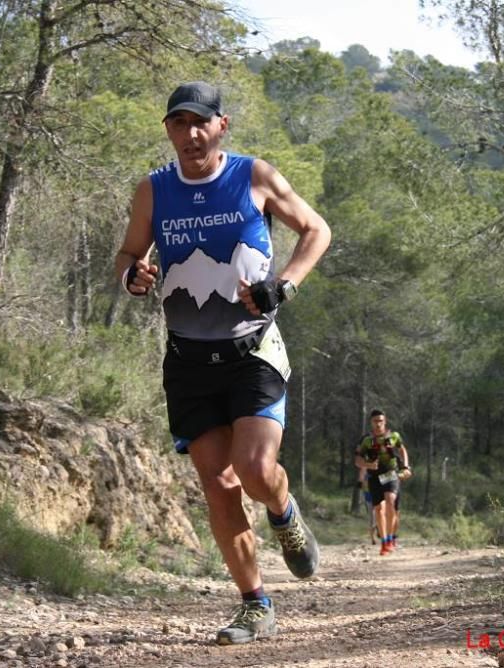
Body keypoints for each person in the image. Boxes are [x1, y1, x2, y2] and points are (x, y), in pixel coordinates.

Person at [115, 81, 331, 645]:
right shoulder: (154, 190)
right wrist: (131, 275)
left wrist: (283, 285)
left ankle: (283, 512)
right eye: (178, 124)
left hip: (252, 349)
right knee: (219, 485)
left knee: (256, 472)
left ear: (221, 126)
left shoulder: (252, 176)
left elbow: (316, 230)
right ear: (167, 130)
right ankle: (254, 604)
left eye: (199, 123)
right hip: (187, 360)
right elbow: (128, 255)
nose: (189, 134)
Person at [354, 409, 411, 555]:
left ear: (385, 422)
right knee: (379, 509)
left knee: (391, 501)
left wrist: (405, 466)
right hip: (374, 477)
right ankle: (384, 542)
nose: (378, 424)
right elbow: (358, 460)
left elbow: (402, 450)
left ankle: (391, 538)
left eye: (381, 421)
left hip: (390, 474)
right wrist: (368, 466)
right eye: (375, 421)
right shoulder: (367, 441)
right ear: (371, 423)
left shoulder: (393, 436)